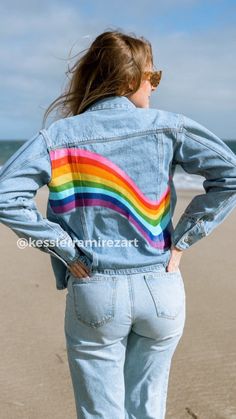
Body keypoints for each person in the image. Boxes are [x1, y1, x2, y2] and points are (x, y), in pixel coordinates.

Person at [0, 29, 236, 419]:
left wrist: (62, 246)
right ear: (129, 81)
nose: (154, 88)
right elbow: (229, 173)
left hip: (94, 286)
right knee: (148, 410)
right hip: (161, 287)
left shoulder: (58, 136)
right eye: (152, 78)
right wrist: (181, 241)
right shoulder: (169, 126)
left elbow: (7, 194)